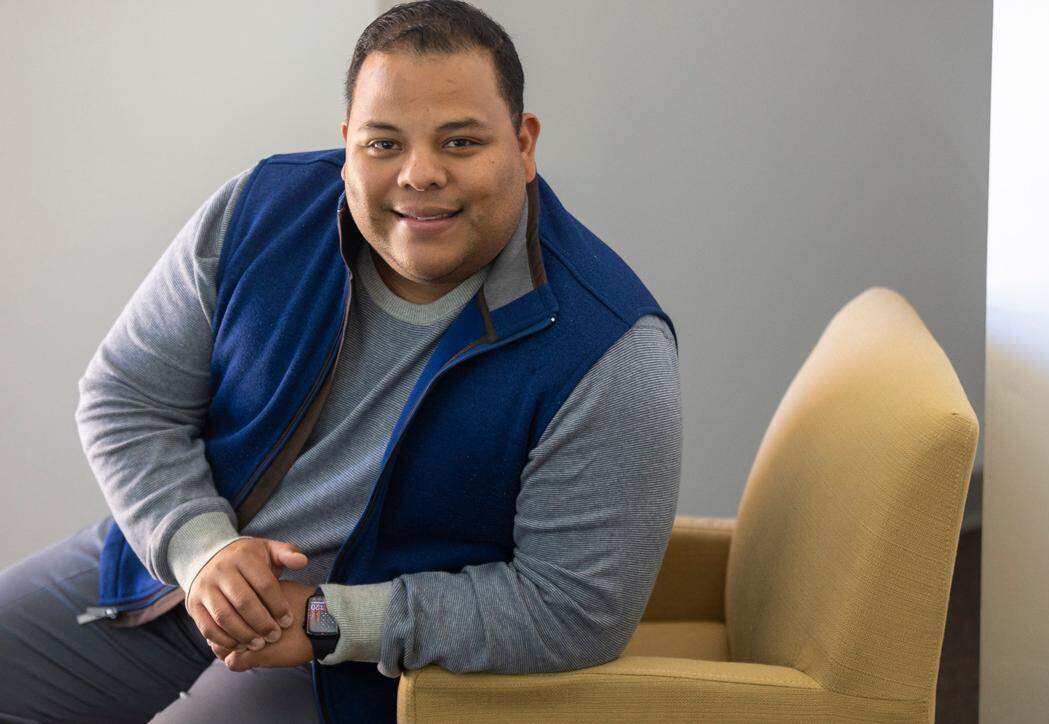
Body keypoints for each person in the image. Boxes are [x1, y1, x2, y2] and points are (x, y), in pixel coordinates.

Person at [0, 1, 681, 721]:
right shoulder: (261, 209)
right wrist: (201, 550)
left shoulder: (608, 346)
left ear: (523, 143)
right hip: (178, 574)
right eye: (383, 143)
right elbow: (126, 398)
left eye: (460, 142)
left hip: (351, 665)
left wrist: (330, 619)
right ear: (348, 143)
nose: (419, 174)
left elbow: (573, 610)